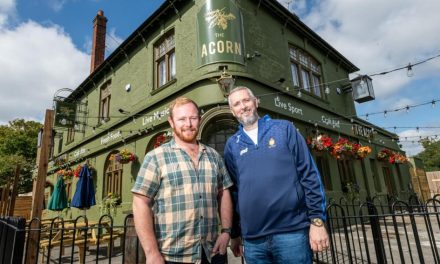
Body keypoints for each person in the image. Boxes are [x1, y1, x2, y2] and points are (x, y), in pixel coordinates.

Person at [224, 86, 329, 263]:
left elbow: (309, 175)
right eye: (237, 104)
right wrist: (235, 233)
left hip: (292, 233)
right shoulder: (232, 145)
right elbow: (233, 192)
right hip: (253, 240)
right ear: (233, 111)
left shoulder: (284, 129)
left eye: (246, 100)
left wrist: (317, 220)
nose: (243, 106)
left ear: (256, 101)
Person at [132, 97, 233, 264]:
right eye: (182, 119)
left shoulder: (213, 156)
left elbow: (224, 193)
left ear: (199, 119)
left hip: (213, 252)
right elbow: (140, 203)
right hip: (172, 256)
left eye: (193, 118)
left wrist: (226, 231)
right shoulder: (156, 157)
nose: (189, 123)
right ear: (171, 122)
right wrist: (151, 253)